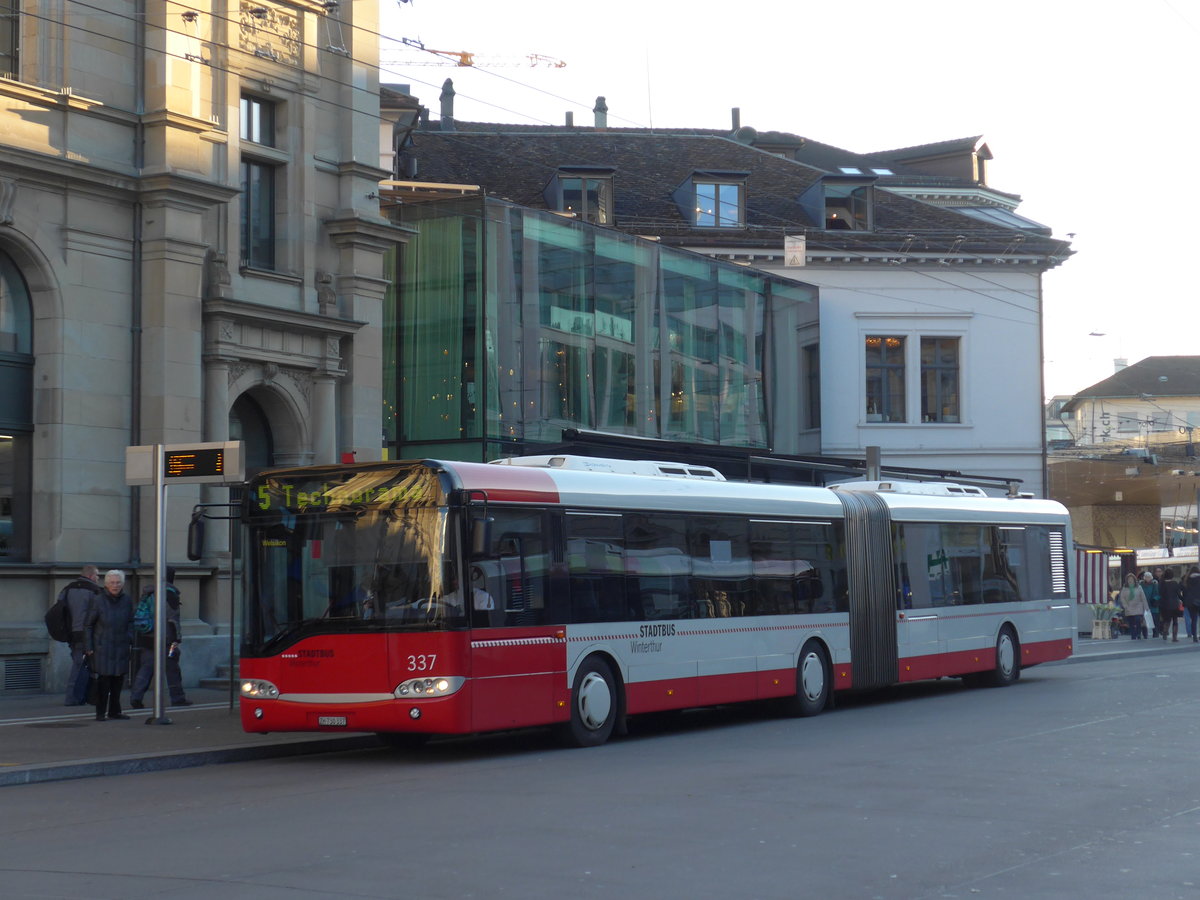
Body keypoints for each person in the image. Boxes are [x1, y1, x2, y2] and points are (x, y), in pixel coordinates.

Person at [129, 567, 191, 709]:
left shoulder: (149, 592)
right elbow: (173, 620)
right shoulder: (170, 594)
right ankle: (178, 697)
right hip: (166, 639)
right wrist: (177, 639)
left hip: (148, 637)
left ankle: (136, 697)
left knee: (146, 668)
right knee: (172, 669)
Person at [84, 569, 134, 721]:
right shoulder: (98, 600)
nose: (115, 585)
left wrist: (130, 637)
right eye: (112, 582)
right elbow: (88, 625)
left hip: (121, 646)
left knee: (118, 681)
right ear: (106, 584)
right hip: (102, 647)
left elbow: (131, 621)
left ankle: (115, 711)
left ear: (123, 584)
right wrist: (89, 646)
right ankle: (100, 713)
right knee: (103, 682)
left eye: (118, 582)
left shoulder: (127, 600)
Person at [58, 565, 101, 705]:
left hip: (71, 633)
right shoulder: (94, 590)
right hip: (86, 633)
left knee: (81, 664)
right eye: (97, 575)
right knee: (81, 665)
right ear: (91, 576)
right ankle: (72, 698)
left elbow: (60, 611)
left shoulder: (67, 589)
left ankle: (83, 696)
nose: (99, 578)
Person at [1117, 572, 1148, 639]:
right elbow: (1122, 598)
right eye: (1129, 579)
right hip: (1129, 607)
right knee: (1131, 622)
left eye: (1131, 579)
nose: (1130, 580)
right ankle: (1133, 635)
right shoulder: (1124, 588)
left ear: (1134, 579)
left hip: (1138, 606)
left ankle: (1138, 633)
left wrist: (1146, 607)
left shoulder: (1139, 587)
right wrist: (1125, 606)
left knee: (1137, 620)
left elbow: (1143, 597)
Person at [1159, 569, 1182, 642]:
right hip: (1175, 604)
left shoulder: (1162, 584)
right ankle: (1174, 637)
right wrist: (1183, 600)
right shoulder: (1175, 583)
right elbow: (1179, 594)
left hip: (1165, 605)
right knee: (1175, 621)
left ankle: (1165, 632)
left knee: (1167, 620)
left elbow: (1160, 594)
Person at [1141, 570, 1161, 638]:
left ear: (1151, 577)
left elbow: (1158, 594)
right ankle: (1145, 634)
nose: (1147, 578)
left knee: (1154, 620)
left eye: (1149, 577)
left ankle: (1155, 633)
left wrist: (1155, 599)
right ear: (1144, 578)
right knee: (1144, 621)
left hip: (1153, 606)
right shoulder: (1141, 585)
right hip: (1144, 606)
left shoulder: (1155, 584)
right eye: (1146, 577)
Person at [1184, 566, 1200, 642]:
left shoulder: (1187, 579)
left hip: (1190, 601)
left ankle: (1194, 636)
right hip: (1198, 600)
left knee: (1193, 619)